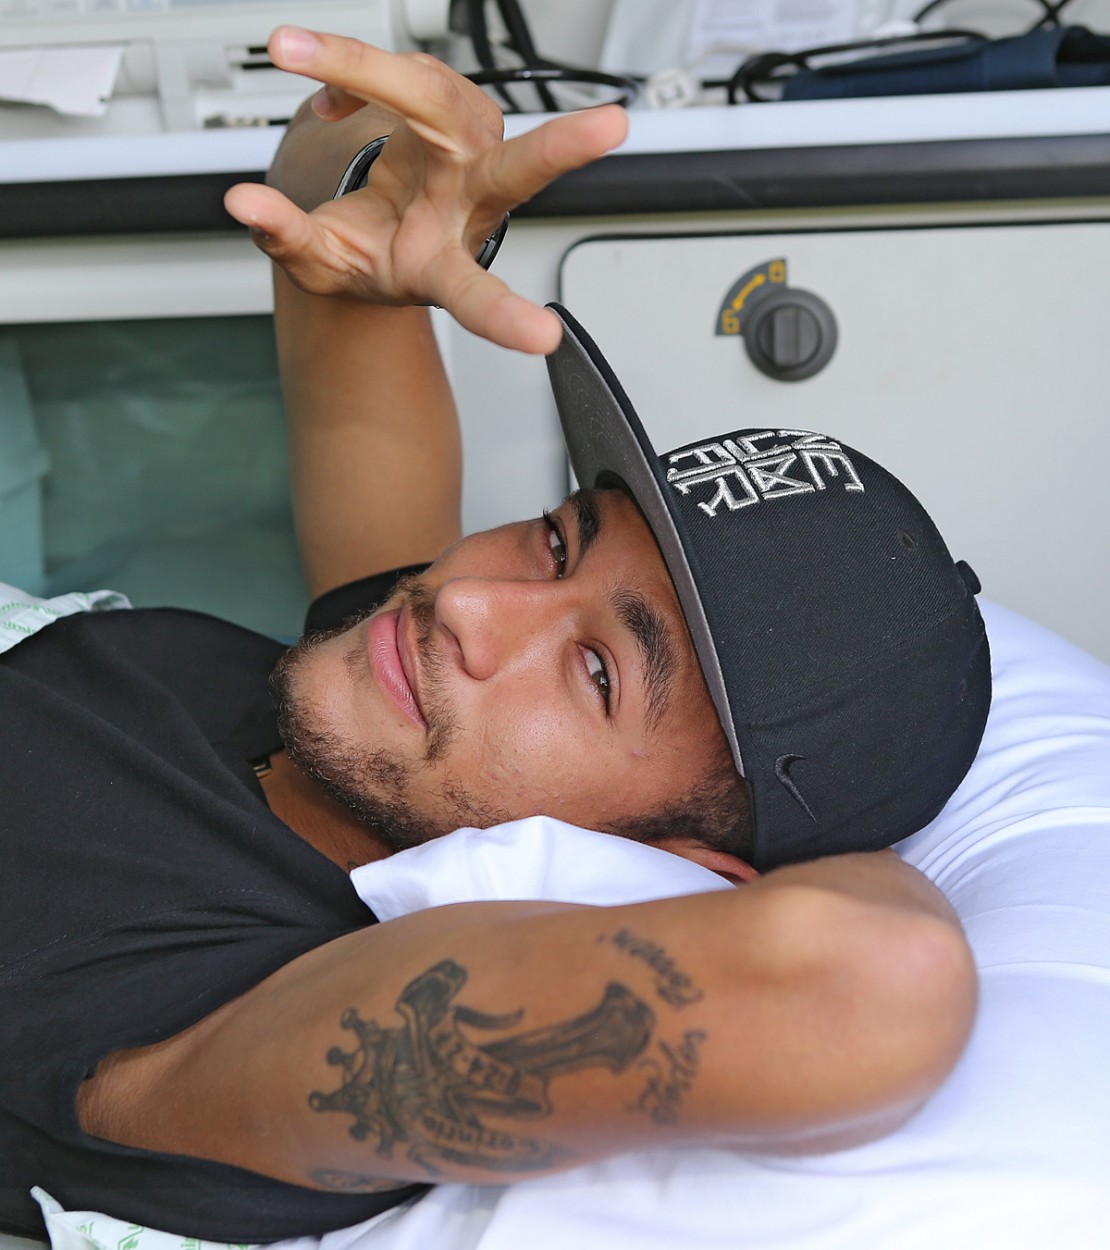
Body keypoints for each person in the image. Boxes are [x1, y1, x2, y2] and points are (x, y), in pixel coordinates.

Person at [0, 28, 985, 1244]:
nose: (469, 605)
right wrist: (382, 160)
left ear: (677, 866)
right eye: (559, 542)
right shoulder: (381, 703)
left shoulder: (259, 1017)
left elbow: (869, 984)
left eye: (597, 671)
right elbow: (330, 210)